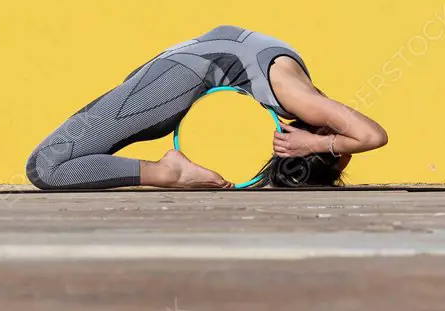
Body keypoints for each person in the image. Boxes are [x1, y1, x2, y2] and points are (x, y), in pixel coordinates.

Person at [26, 25, 388, 191]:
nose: (344, 146)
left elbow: (368, 137)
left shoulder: (301, 95)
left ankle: (166, 173)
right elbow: (372, 135)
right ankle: (167, 173)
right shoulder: (302, 97)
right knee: (51, 164)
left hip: (170, 81)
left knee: (47, 166)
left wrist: (316, 145)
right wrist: (314, 147)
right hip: (170, 81)